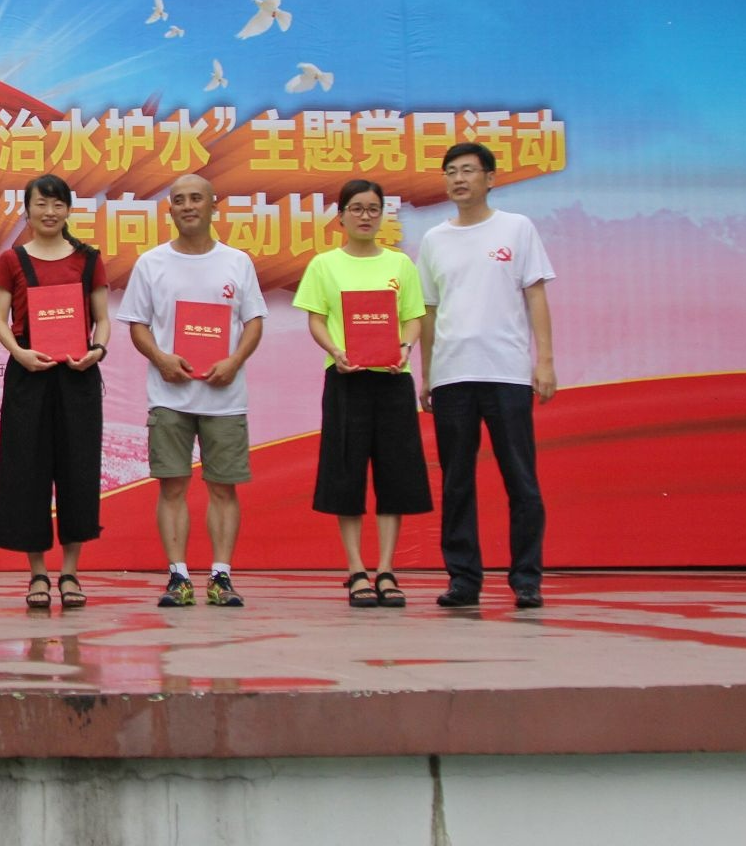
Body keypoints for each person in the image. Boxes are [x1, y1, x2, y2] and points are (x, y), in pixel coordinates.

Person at [418, 142, 557, 610]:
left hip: (507, 373)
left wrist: (544, 361)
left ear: (490, 178)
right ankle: (463, 579)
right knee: (456, 481)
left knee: (521, 478)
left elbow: (535, 295)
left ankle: (526, 579)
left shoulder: (516, 228)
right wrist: (427, 373)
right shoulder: (434, 239)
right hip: (453, 374)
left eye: (468, 171)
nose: (459, 179)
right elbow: (429, 311)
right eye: (451, 172)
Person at [121, 173, 265, 608]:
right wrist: (161, 358)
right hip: (170, 397)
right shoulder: (152, 263)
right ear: (170, 210)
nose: (188, 206)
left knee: (224, 488)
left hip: (225, 398)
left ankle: (221, 576)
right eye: (180, 200)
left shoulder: (237, 262)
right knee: (172, 487)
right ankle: (178, 576)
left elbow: (254, 322)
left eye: (196, 198)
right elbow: (138, 324)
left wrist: (234, 361)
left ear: (213, 206)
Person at [292, 179, 431, 608]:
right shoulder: (325, 265)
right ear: (341, 217)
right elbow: (316, 319)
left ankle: (386, 569)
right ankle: (356, 570)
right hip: (346, 379)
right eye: (356, 208)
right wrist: (335, 350)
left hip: (392, 379)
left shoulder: (400, 264)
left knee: (395, 474)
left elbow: (413, 317)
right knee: (345, 473)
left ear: (382, 215)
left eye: (373, 209)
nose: (365, 216)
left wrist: (405, 347)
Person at [0, 174, 111, 610]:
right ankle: (38, 573)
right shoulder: (11, 260)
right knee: (28, 471)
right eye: (41, 204)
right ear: (27, 211)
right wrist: (19, 354)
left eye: (58, 204)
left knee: (78, 471)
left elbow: (102, 319)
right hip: (29, 373)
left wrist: (97, 350)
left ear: (68, 210)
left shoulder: (89, 259)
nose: (49, 212)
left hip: (78, 375)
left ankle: (71, 571)